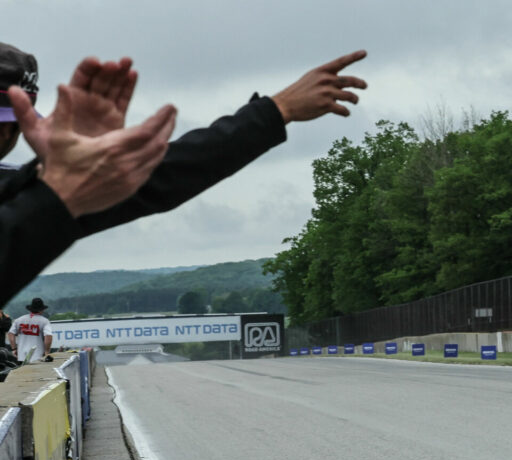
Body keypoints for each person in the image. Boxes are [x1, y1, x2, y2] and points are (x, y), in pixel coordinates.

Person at [0, 42, 367, 304]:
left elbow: (160, 178)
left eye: (9, 120)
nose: (3, 132)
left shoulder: (16, 190)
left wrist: (276, 111)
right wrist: (64, 188)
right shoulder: (29, 195)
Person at [8, 297, 53, 362]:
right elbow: (48, 336)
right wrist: (46, 352)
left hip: (21, 356)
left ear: (31, 309)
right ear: (41, 310)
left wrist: (14, 348)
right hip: (37, 357)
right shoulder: (44, 321)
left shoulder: (19, 320)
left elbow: (10, 333)